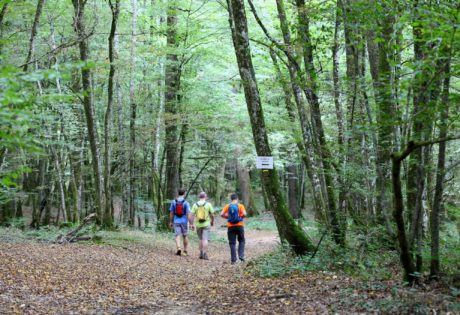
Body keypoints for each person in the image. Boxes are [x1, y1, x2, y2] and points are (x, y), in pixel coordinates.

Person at [221, 193, 247, 264]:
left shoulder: (227, 206)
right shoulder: (240, 206)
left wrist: (228, 217)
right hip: (239, 225)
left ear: (231, 199)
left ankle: (233, 260)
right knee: (241, 240)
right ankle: (241, 255)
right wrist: (240, 218)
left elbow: (221, 214)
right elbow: (245, 214)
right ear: (237, 199)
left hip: (230, 226)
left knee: (232, 243)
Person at [190, 192, 214, 260]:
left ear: (199, 197)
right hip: (206, 224)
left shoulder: (195, 204)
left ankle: (200, 253)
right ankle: (205, 253)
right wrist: (212, 221)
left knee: (200, 239)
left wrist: (191, 224)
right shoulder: (208, 204)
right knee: (205, 239)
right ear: (205, 197)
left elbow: (191, 215)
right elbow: (212, 214)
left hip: (198, 224)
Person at [169, 188, 191, 256]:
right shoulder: (186, 202)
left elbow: (171, 212)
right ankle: (185, 251)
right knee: (185, 235)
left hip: (176, 220)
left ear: (178, 193)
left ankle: (178, 248)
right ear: (184, 194)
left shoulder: (173, 202)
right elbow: (188, 213)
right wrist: (190, 222)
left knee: (177, 235)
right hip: (184, 221)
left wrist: (170, 222)